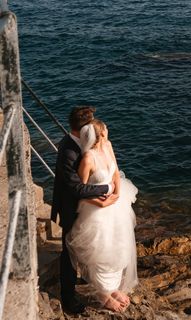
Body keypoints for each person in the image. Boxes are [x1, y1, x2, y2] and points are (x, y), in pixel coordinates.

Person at [65, 118, 138, 312]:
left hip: (115, 206)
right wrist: (102, 202)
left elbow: (115, 175)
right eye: (106, 129)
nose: (108, 131)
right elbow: (80, 191)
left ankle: (112, 287)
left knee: (117, 248)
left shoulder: (108, 146)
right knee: (100, 250)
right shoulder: (88, 158)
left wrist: (116, 195)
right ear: (101, 133)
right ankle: (102, 293)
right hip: (96, 209)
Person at [51, 106, 115, 314]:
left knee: (89, 246)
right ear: (83, 128)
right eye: (92, 124)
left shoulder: (87, 144)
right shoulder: (69, 151)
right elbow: (76, 188)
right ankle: (68, 298)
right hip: (71, 208)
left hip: (86, 207)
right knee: (69, 252)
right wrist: (106, 188)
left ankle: (91, 280)